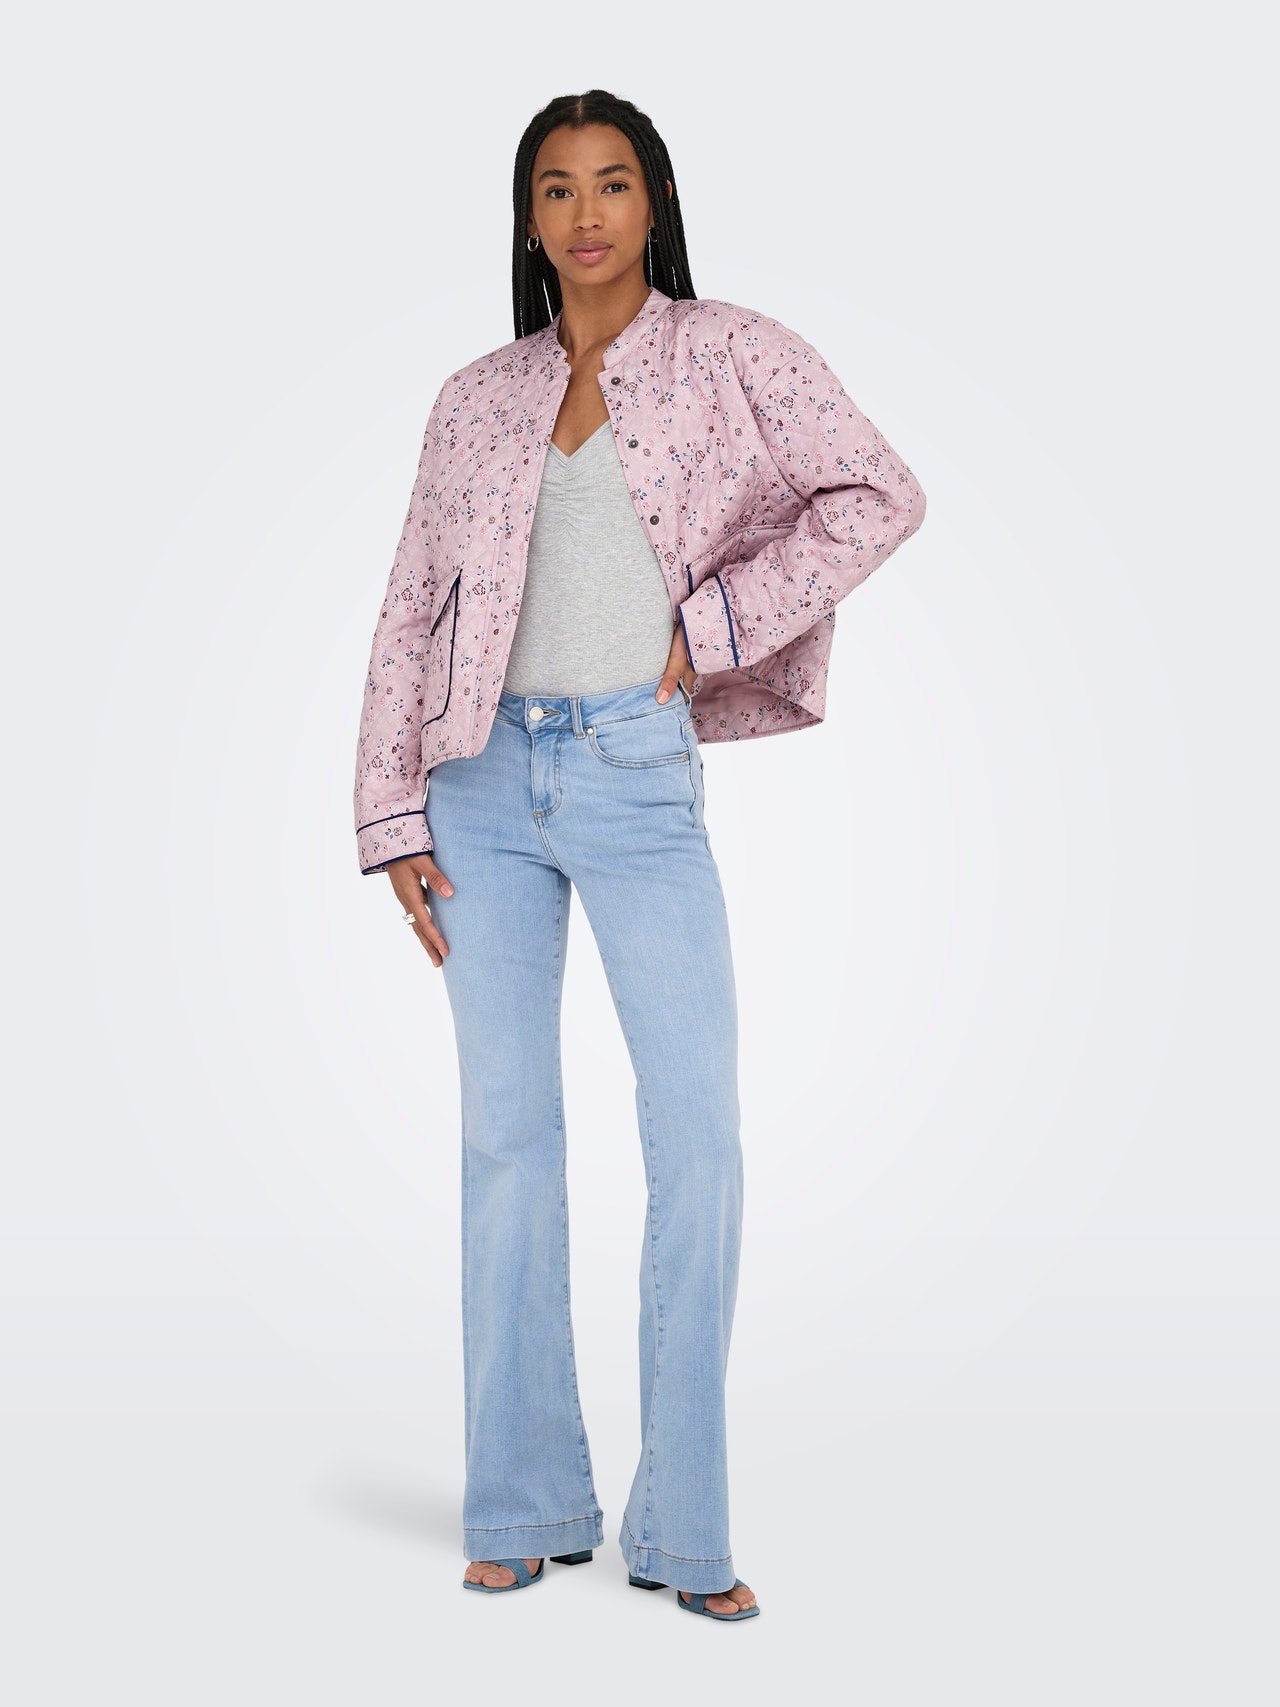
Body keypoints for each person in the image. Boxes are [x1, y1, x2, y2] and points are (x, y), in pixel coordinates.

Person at [353, 88, 927, 1622]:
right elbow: (412, 602)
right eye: (557, 188)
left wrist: (721, 623)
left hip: (633, 776)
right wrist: (392, 813)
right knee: (507, 1142)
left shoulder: (731, 351)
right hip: (479, 786)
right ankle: (521, 1499)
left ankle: (683, 1526)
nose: (587, 213)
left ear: (653, 202)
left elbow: (880, 493)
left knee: (700, 1139)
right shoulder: (476, 396)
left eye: (613, 183)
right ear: (529, 217)